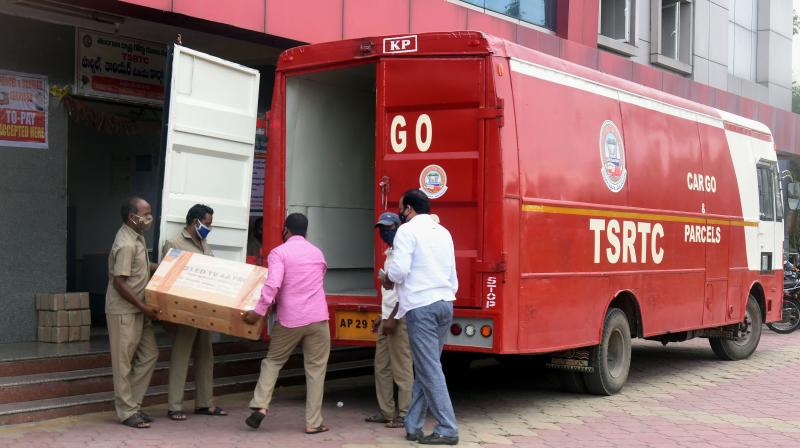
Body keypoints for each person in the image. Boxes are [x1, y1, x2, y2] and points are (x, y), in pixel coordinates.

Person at [242, 213, 331, 434]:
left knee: (272, 362)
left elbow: (273, 285)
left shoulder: (279, 253)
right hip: (318, 318)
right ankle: (313, 422)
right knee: (316, 371)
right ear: (306, 232)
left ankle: (261, 406)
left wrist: (259, 311)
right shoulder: (317, 253)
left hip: (291, 319)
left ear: (285, 230)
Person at [385, 189, 459, 445]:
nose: (400, 213)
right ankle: (413, 425)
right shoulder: (444, 232)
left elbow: (399, 271)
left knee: (429, 368)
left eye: (401, 208)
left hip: (421, 306)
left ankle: (447, 428)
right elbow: (452, 273)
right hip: (445, 303)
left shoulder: (407, 231)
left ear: (409, 209)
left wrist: (387, 276)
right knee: (427, 366)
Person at [161, 204, 228, 421]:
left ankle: (204, 403)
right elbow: (167, 278)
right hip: (184, 311)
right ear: (194, 222)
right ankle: (174, 406)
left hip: (204, 312)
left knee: (205, 357)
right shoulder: (174, 243)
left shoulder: (204, 244)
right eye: (207, 224)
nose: (209, 228)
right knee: (181, 357)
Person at [106, 197, 161, 429]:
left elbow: (139, 266)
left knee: (150, 354)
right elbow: (120, 282)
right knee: (123, 363)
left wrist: (162, 267)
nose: (150, 217)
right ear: (132, 217)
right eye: (146, 214)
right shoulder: (126, 243)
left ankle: (133, 405)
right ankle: (126, 411)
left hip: (138, 309)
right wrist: (145, 308)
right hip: (126, 311)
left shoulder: (136, 237)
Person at [366, 212, 414, 429]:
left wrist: (393, 317)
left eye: (389, 227)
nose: (385, 232)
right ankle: (387, 412)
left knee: (402, 368)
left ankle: (406, 414)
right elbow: (390, 292)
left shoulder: (404, 253)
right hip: (388, 318)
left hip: (399, 318)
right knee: (382, 367)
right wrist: (382, 316)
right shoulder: (391, 252)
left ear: (399, 226)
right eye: (381, 228)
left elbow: (405, 290)